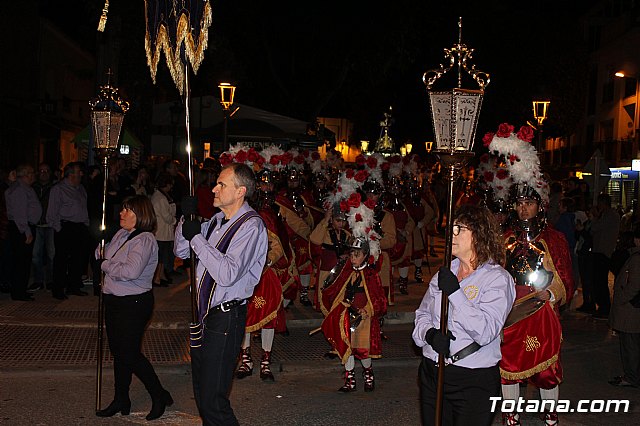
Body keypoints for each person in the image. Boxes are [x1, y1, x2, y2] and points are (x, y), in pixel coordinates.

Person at [174, 163, 268, 425]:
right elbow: (182, 252)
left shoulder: (251, 226)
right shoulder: (216, 221)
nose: (214, 188)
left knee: (213, 400)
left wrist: (197, 239)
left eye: (221, 184)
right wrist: (187, 219)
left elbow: (227, 273)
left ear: (240, 191)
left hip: (226, 317)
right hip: (203, 315)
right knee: (202, 394)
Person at [413, 204, 514, 426]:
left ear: (479, 235)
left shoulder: (497, 279)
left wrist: (456, 294)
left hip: (472, 380)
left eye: (460, 229)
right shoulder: (446, 271)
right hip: (433, 373)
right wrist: (430, 335)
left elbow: (486, 331)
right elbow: (422, 314)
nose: (452, 234)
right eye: (452, 228)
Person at [95, 195, 173, 420]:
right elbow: (102, 254)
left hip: (134, 303)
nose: (121, 213)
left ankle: (159, 394)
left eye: (127, 210)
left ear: (140, 215)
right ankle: (121, 398)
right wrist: (101, 244)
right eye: (122, 209)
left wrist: (106, 264)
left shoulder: (145, 239)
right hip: (114, 300)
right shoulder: (121, 233)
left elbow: (130, 271)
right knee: (119, 354)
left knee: (130, 354)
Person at [321, 235, 387, 392]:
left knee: (363, 351)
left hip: (364, 320)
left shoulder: (371, 275)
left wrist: (367, 311)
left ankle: (368, 375)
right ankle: (350, 380)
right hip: (347, 317)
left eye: (357, 255)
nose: (353, 258)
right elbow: (338, 293)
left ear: (365, 255)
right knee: (347, 348)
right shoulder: (347, 273)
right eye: (351, 254)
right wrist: (338, 310)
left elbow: (379, 300)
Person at [46, 161, 91, 300]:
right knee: (61, 259)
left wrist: (85, 223)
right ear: (70, 174)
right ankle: (58, 289)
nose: (81, 174)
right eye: (79, 172)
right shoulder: (58, 189)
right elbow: (52, 212)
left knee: (77, 259)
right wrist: (58, 228)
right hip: (65, 227)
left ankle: (74, 286)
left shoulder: (80, 188)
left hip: (79, 227)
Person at [608, 227, 640, 388]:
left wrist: (620, 299)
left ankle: (632, 376)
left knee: (630, 346)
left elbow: (634, 285)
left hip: (631, 311)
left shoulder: (636, 258)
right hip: (632, 309)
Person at [5, 164, 41, 301]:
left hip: (24, 227)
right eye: (32, 172)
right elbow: (20, 213)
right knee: (21, 261)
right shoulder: (19, 189)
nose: (34, 175)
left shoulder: (23, 188)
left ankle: (20, 290)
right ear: (26, 174)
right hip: (22, 228)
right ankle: (18, 292)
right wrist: (26, 232)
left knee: (23, 261)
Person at [590, 193, 620, 319]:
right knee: (599, 280)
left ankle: (604, 307)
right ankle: (602, 305)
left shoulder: (610, 216)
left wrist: (595, 218)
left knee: (601, 280)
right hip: (601, 250)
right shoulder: (609, 215)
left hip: (603, 251)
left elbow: (595, 228)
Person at [30, 162, 56, 291]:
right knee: (36, 255)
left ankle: (50, 280)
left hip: (50, 224)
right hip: (36, 225)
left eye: (46, 171)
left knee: (51, 254)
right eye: (41, 171)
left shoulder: (54, 188)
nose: (43, 174)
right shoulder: (32, 188)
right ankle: (38, 280)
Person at [150, 172, 176, 285]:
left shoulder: (161, 196)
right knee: (160, 256)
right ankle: (157, 277)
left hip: (163, 231)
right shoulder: (160, 198)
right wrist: (175, 220)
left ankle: (160, 276)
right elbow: (167, 217)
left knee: (162, 256)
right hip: (161, 232)